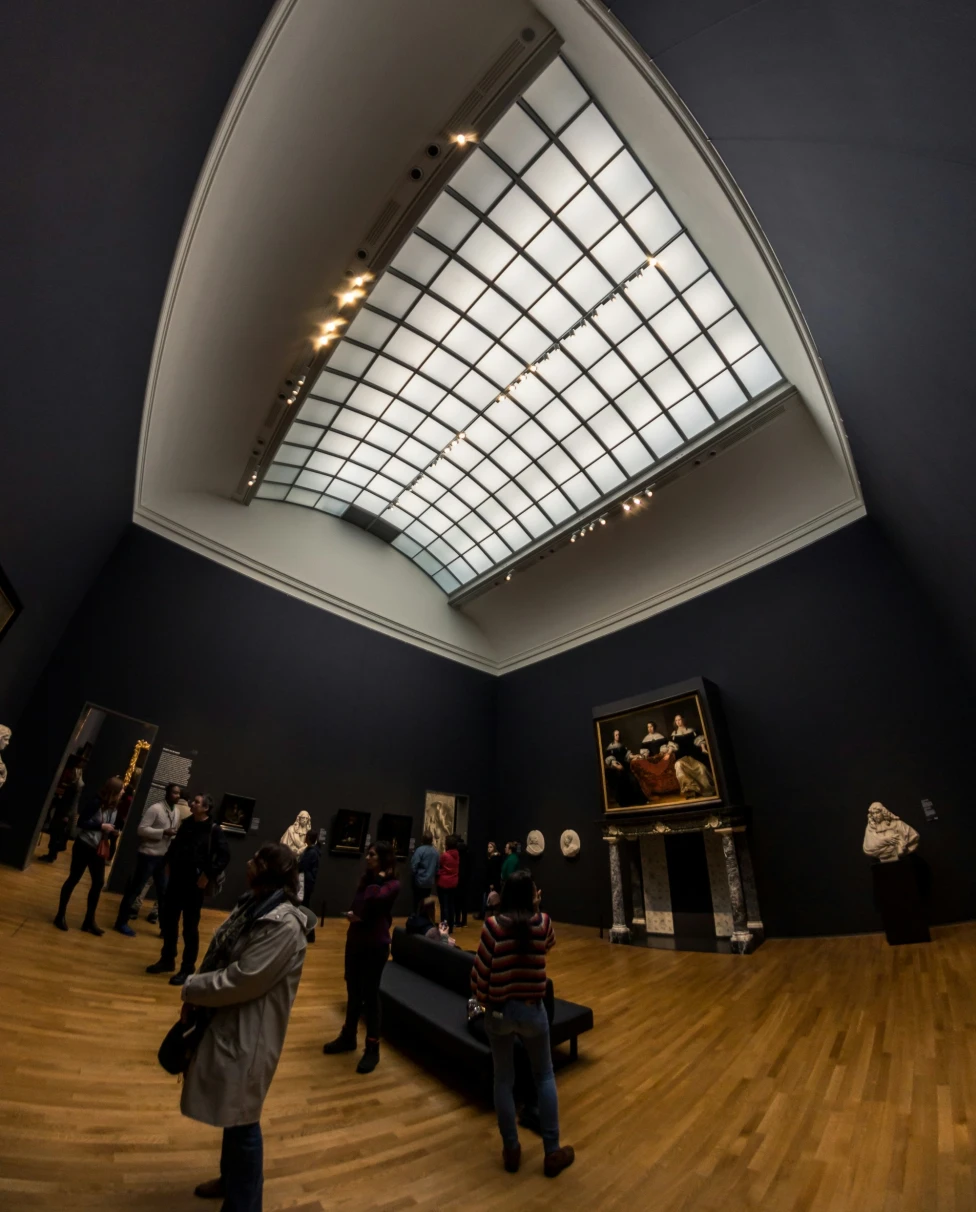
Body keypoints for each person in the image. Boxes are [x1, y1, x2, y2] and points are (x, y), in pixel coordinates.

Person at [180, 842, 307, 1211]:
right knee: (234, 1115)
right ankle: (231, 1180)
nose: (250, 863)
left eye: (259, 860)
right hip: (230, 1021)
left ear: (273, 872)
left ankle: (244, 1204)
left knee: (243, 1120)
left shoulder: (283, 924)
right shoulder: (253, 904)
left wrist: (193, 988)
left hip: (250, 1031)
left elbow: (245, 978)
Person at [471, 869, 574, 1178]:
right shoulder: (542, 923)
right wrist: (537, 908)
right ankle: (552, 1151)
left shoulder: (492, 926)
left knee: (503, 1079)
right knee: (544, 1076)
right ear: (531, 895)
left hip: (500, 1012)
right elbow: (548, 943)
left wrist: (483, 999)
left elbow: (479, 971)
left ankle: (512, 1149)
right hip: (532, 1010)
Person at [322, 841, 399, 1074]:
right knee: (353, 990)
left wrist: (377, 880)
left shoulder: (392, 884)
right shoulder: (367, 881)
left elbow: (375, 899)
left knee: (370, 994)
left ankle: (372, 1047)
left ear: (383, 859)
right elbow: (360, 904)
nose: (368, 857)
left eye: (373, 855)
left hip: (375, 945)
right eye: (368, 853)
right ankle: (348, 1036)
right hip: (355, 940)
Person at [146, 793, 230, 985]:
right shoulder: (188, 823)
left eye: (197, 802)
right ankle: (167, 959)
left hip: (194, 884)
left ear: (206, 808)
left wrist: (207, 875)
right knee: (169, 921)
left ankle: (187, 968)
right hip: (176, 879)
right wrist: (167, 862)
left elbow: (224, 856)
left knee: (189, 928)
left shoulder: (213, 830)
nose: (192, 803)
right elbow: (176, 845)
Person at [53, 776, 123, 934]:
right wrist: (101, 826)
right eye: (121, 790)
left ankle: (89, 920)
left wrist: (113, 832)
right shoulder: (96, 802)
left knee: (98, 883)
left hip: (97, 848)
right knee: (73, 878)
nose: (123, 792)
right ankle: (60, 915)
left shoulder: (113, 807)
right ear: (114, 791)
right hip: (84, 845)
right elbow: (81, 822)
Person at [113, 783, 181, 936]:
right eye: (174, 793)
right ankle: (121, 922)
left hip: (162, 857)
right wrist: (163, 832)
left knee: (163, 893)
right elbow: (141, 829)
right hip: (148, 855)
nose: (177, 796)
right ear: (167, 793)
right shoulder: (155, 809)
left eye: (178, 793)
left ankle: (164, 929)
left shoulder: (176, 811)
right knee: (135, 889)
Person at [39, 756, 87, 863]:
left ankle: (52, 854)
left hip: (64, 813)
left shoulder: (74, 786)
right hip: (65, 812)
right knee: (57, 833)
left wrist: (66, 815)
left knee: (56, 833)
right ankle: (52, 854)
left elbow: (71, 801)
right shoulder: (76, 785)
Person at [669, 714, 715, 798]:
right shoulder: (674, 734)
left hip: (694, 756)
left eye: (679, 719)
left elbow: (700, 741)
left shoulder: (692, 731)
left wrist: (703, 749)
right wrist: (668, 754)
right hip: (681, 758)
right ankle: (690, 790)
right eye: (676, 720)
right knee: (678, 766)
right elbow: (672, 746)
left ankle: (706, 790)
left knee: (702, 769)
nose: (678, 722)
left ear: (683, 720)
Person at [437, 833, 460, 932]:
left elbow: (440, 865)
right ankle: (451, 926)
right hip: (454, 882)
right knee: (451, 905)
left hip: (444, 882)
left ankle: (444, 926)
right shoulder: (457, 855)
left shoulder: (445, 855)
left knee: (444, 906)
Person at [410, 832, 438, 912]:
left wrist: (414, 874)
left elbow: (414, 865)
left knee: (416, 901)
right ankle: (424, 919)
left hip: (419, 880)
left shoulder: (419, 850)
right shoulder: (435, 852)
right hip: (429, 882)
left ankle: (416, 918)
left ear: (423, 839)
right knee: (425, 901)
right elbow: (437, 867)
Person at [480, 841, 503, 919]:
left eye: (491, 847)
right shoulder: (490, 857)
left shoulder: (495, 858)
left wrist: (492, 883)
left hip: (493, 882)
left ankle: (491, 916)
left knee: (492, 899)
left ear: (494, 848)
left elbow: (494, 872)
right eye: (488, 847)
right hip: (490, 881)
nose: (489, 849)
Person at [299, 828, 321, 908]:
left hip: (306, 881)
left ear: (308, 838)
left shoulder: (311, 852)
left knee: (304, 903)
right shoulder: (313, 850)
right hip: (308, 880)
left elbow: (303, 866)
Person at [456, 833, 471, 927]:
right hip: (466, 880)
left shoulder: (457, 854)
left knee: (457, 902)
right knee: (464, 902)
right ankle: (464, 921)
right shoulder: (468, 854)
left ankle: (457, 920)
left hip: (458, 879)